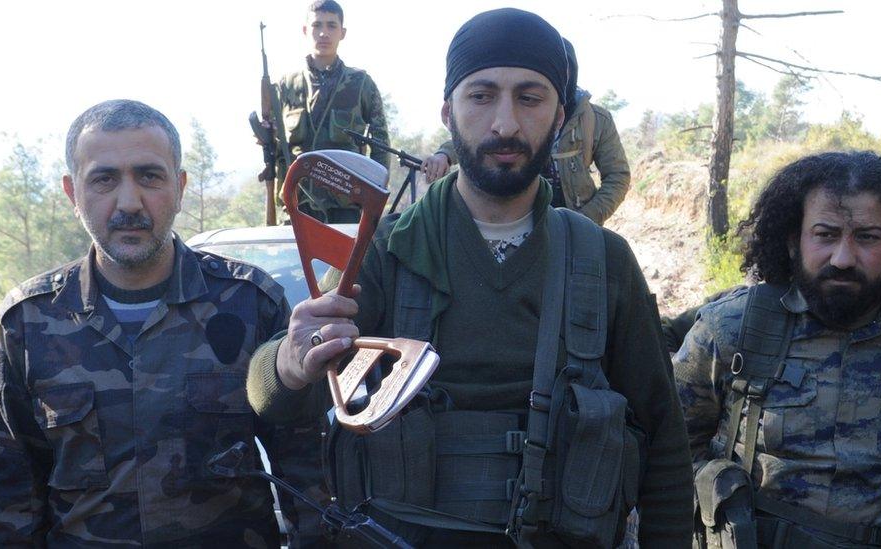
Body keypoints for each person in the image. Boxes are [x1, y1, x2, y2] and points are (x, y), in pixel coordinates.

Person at [247, 8, 693, 547]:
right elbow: (269, 392)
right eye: (481, 95)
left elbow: (664, 443)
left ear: (560, 118)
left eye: (530, 98)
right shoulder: (389, 250)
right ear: (448, 112)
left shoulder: (603, 261)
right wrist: (292, 361)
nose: (504, 123)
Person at [0, 99, 323, 547]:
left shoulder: (250, 304)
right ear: (73, 194)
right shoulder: (30, 321)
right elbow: (12, 493)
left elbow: (305, 466)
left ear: (181, 186)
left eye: (149, 176)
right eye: (104, 179)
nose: (129, 202)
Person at [674, 151, 881, 548]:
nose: (843, 258)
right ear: (794, 241)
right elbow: (671, 442)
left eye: (867, 237)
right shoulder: (733, 326)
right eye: (825, 234)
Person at [422, 38, 631, 226]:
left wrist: (584, 220)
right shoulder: (513, 108)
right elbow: (481, 138)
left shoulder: (596, 119)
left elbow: (618, 176)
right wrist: (444, 155)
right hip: (519, 220)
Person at [278, 0, 390, 223]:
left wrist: (372, 194)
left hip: (345, 206)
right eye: (317, 25)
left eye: (331, 26)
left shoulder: (360, 83)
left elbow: (380, 144)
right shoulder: (287, 85)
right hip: (296, 204)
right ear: (305, 30)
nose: (323, 33)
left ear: (343, 32)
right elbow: (276, 147)